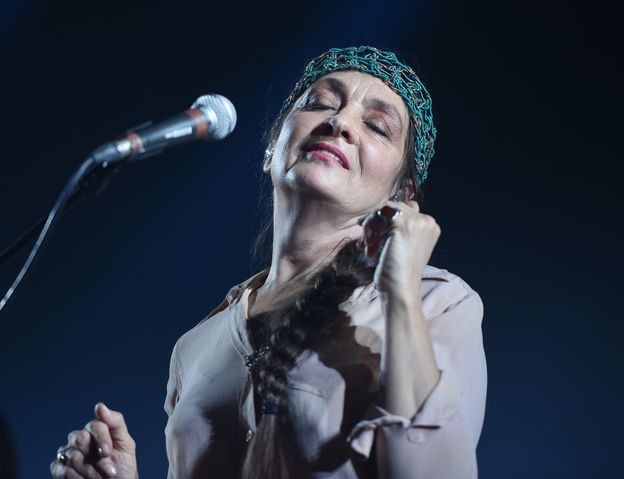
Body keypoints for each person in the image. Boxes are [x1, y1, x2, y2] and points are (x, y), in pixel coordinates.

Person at [50, 46, 487, 479]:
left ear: (402, 196)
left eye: (376, 126)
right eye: (319, 104)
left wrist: (401, 293)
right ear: (270, 150)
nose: (339, 123)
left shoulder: (437, 303)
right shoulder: (195, 346)